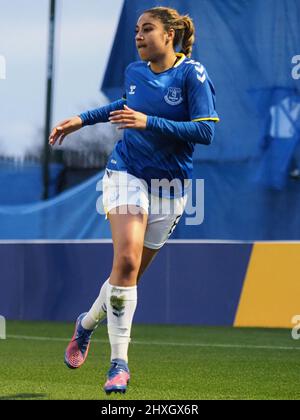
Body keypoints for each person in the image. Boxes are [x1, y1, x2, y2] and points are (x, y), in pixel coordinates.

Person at [49, 6, 219, 395]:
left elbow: (205, 131)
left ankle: (86, 324)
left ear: (170, 35)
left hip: (171, 188)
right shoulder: (134, 71)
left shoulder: (192, 74)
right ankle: (119, 365)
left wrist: (149, 122)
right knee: (125, 261)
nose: (139, 36)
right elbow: (123, 109)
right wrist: (82, 119)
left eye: (147, 29)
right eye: (137, 31)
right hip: (126, 173)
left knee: (124, 281)